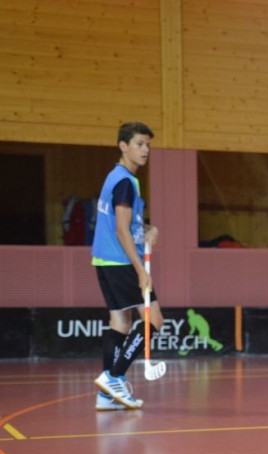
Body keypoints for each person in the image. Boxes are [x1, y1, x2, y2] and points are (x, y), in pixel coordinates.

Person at [91, 122, 162, 410]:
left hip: (104, 259)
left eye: (147, 145)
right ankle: (114, 376)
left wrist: (148, 228)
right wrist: (140, 270)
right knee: (154, 320)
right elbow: (121, 230)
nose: (145, 150)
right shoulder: (125, 182)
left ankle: (107, 395)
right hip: (120, 260)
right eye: (139, 144)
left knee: (120, 322)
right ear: (123, 146)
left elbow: (126, 224)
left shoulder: (115, 177)